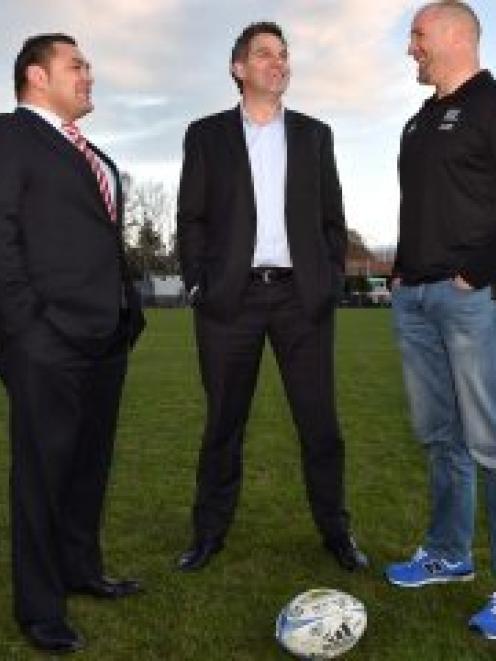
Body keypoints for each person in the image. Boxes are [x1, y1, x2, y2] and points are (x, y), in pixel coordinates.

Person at [176, 21, 367, 574]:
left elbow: (333, 218)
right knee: (223, 425)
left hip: (299, 300)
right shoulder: (205, 134)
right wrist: (197, 284)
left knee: (320, 427)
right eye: (265, 54)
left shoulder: (314, 134)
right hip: (228, 302)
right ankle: (208, 534)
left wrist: (329, 280)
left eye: (283, 55)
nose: (278, 62)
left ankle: (336, 532)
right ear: (239, 69)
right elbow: (191, 217)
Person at [0, 34, 145, 653]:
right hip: (44, 340)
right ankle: (38, 609)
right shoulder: (9, 137)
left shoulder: (96, 156)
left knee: (89, 466)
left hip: (106, 336)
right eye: (76, 65)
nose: (89, 74)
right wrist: (28, 326)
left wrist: (127, 311)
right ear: (37, 75)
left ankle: (81, 569)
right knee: (42, 474)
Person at [384, 1, 496, 639]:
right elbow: (422, 207)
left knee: (490, 445)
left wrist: (475, 274)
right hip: (415, 300)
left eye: (418, 36)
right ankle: (449, 555)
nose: (411, 49)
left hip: (470, 299)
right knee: (440, 437)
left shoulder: (489, 104)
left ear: (456, 35)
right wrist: (402, 272)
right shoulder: (415, 123)